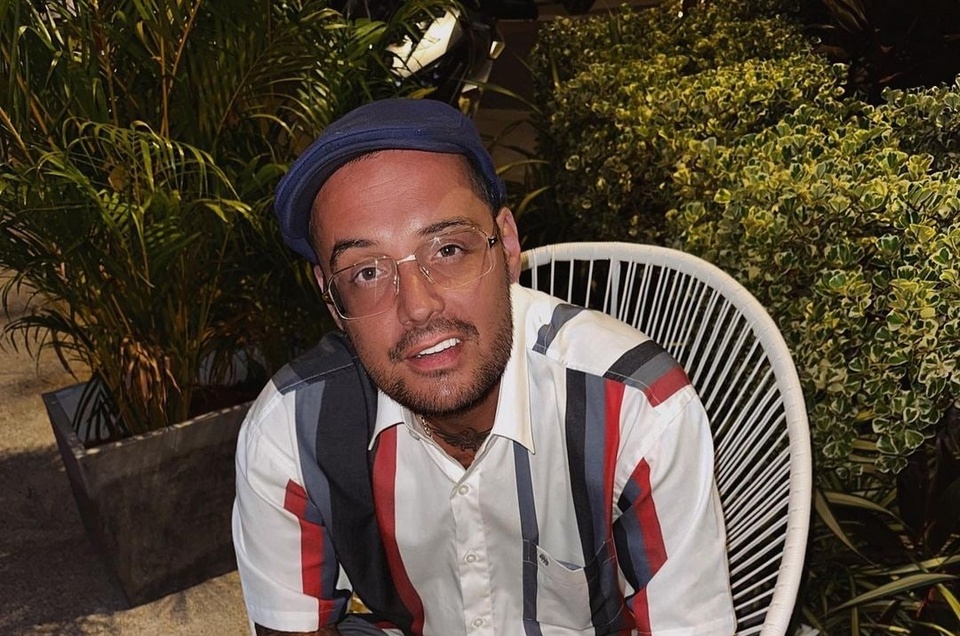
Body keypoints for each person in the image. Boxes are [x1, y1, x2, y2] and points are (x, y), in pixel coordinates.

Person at [232, 98, 736, 636]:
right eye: (367, 272)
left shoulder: (634, 407)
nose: (418, 306)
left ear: (507, 245)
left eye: (448, 249)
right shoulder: (290, 433)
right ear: (331, 298)